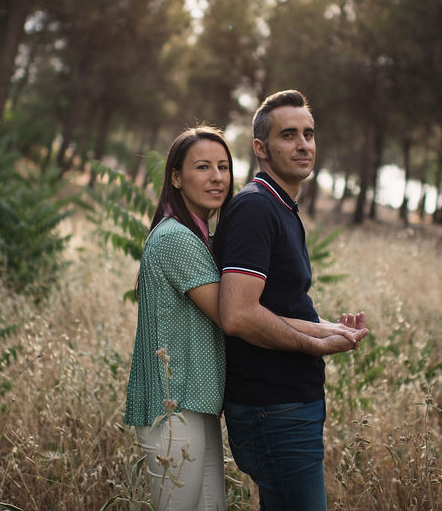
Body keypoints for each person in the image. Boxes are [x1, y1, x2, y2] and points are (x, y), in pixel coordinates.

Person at [214, 89, 368, 510]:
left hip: (285, 405)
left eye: (309, 134)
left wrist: (330, 330)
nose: (303, 145)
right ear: (261, 148)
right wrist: (317, 345)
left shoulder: (280, 207)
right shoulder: (256, 209)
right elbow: (238, 315)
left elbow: (277, 308)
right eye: (288, 135)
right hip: (273, 408)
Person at [123, 126, 235, 510]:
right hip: (174, 408)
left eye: (223, 166)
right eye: (203, 167)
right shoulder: (176, 237)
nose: (217, 177)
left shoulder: (198, 235)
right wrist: (314, 330)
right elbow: (230, 313)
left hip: (196, 401)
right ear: (175, 176)